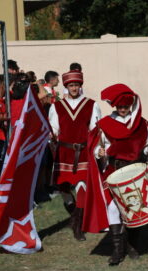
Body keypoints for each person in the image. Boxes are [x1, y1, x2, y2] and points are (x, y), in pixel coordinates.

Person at [95, 83, 148, 266]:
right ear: (114, 106)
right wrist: (99, 152)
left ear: (130, 106)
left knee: (134, 209)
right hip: (114, 170)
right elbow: (98, 146)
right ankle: (118, 251)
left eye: (125, 106)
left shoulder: (142, 123)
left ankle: (132, 245)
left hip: (135, 171)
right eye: (119, 106)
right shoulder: (105, 124)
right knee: (113, 208)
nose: (122, 109)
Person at [48, 70, 101, 240]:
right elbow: (54, 129)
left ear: (80, 86)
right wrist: (52, 136)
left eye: (76, 85)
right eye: (71, 85)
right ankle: (75, 217)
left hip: (83, 152)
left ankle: (78, 226)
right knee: (63, 189)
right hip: (64, 152)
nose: (74, 88)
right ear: (66, 86)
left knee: (82, 188)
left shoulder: (92, 105)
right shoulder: (56, 106)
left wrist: (97, 149)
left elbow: (95, 130)